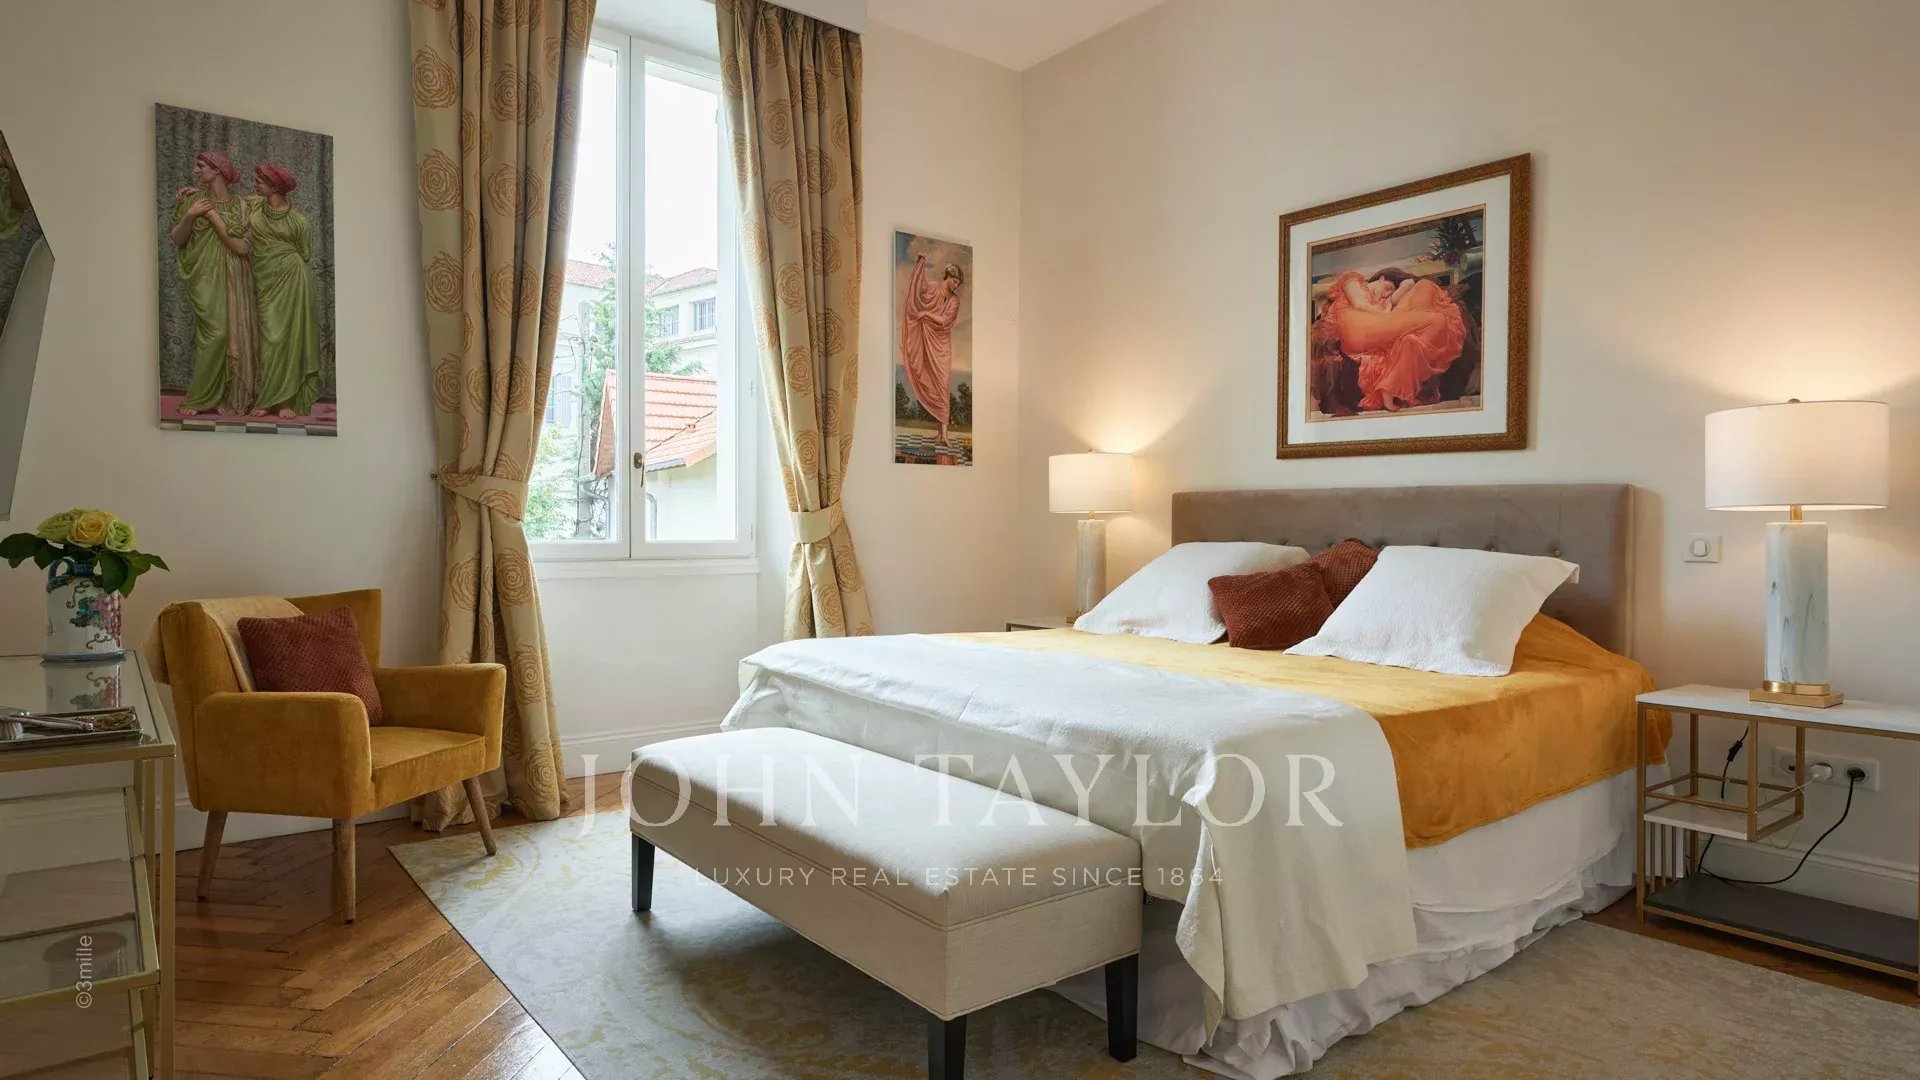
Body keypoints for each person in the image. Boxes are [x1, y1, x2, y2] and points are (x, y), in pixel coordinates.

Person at [169, 151, 258, 417]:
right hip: (205, 278)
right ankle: (201, 397)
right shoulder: (193, 200)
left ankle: (225, 396)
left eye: (201, 166)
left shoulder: (242, 206)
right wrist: (190, 215)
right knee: (216, 334)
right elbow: (177, 239)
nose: (196, 170)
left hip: (235, 278)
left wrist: (211, 215)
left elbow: (244, 246)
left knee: (233, 337)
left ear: (217, 169)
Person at [1318, 267, 1466, 412]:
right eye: (1388, 287)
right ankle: (1390, 384)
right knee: (1437, 319)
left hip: (1373, 328)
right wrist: (1384, 312)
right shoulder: (1353, 279)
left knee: (1424, 293)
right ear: (1381, 279)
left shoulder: (1382, 302)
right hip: (1356, 328)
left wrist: (1404, 287)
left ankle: (1390, 384)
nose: (1387, 293)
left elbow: (1396, 303)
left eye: (1390, 292)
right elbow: (1359, 303)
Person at [246, 163, 321, 419]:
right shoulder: (254, 206)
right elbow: (226, 202)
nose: (254, 184)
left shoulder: (298, 220)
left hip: (293, 280)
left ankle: (284, 401)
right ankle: (269, 397)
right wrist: (195, 193)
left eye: (259, 181)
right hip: (264, 281)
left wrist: (281, 258)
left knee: (290, 339)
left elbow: (305, 252)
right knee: (269, 341)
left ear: (275, 187)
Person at [898, 253, 964, 443]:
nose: (956, 285)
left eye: (958, 283)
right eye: (954, 281)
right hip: (927, 338)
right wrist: (920, 264)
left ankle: (944, 433)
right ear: (948, 277)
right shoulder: (934, 287)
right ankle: (940, 433)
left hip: (942, 345)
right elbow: (919, 289)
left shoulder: (954, 301)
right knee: (930, 382)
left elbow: (944, 321)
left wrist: (926, 313)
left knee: (943, 385)